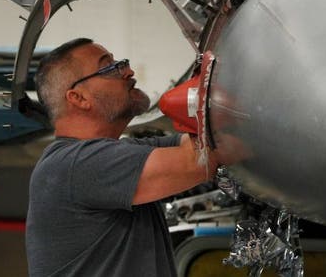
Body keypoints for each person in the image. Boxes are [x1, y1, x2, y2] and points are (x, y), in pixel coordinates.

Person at [26, 38, 238, 276]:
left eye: (121, 63)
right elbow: (199, 160)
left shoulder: (118, 153)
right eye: (110, 67)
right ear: (79, 98)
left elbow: (210, 145)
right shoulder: (74, 165)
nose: (128, 71)